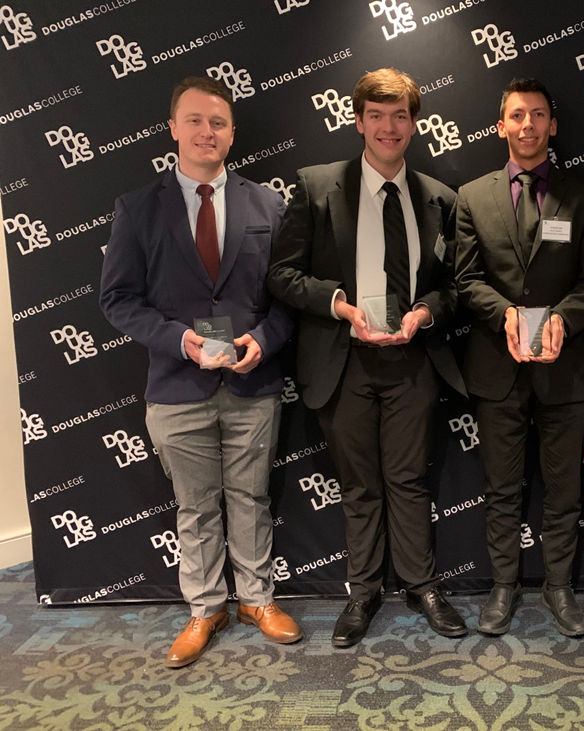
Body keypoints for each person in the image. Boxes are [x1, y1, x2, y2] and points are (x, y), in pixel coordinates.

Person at [100, 77, 302, 668]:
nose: (205, 132)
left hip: (251, 383)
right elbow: (117, 300)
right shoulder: (137, 209)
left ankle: (257, 601)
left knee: (251, 497)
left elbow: (288, 299)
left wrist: (263, 342)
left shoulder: (269, 205)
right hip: (176, 387)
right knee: (194, 505)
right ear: (173, 129)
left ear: (232, 133)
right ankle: (205, 607)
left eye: (217, 122)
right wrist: (179, 341)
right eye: (194, 121)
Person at [266, 68, 467, 648]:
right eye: (376, 115)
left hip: (412, 362)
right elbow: (282, 273)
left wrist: (424, 313)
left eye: (400, 115)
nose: (388, 126)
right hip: (342, 360)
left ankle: (422, 585)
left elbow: (457, 287)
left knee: (408, 479)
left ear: (414, 122)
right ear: (357, 121)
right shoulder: (315, 185)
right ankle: (363, 592)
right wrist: (338, 305)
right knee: (358, 484)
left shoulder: (438, 199)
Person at [455, 78, 584, 637]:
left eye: (538, 115)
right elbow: (466, 279)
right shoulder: (472, 196)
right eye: (516, 115)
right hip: (497, 368)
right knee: (501, 488)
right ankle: (503, 586)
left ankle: (560, 586)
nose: (527, 125)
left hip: (565, 373)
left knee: (564, 490)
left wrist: (565, 317)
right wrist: (506, 316)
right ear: (501, 125)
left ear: (552, 125)